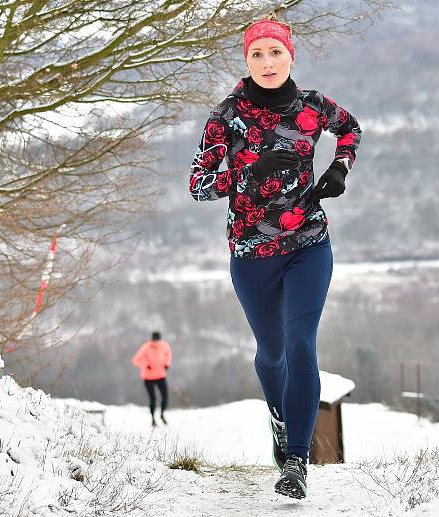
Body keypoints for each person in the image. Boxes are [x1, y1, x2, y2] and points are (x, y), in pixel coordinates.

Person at [187, 15, 361, 499]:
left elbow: (350, 130)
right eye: (257, 54)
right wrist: (246, 169)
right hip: (252, 253)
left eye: (276, 52)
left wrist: (339, 170)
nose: (267, 62)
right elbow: (198, 184)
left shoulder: (313, 107)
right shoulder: (226, 116)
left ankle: (296, 462)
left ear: (291, 56)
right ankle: (281, 417)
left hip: (308, 243)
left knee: (302, 343)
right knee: (273, 353)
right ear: (246, 61)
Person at [131, 331, 172, 427]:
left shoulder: (165, 345)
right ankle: (153, 419)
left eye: (157, 341)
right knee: (153, 399)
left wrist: (167, 364)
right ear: (151, 340)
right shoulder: (146, 347)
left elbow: (168, 355)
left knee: (165, 397)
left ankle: (162, 414)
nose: (156, 343)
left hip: (161, 375)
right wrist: (145, 365)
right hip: (148, 377)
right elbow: (135, 360)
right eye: (154, 341)